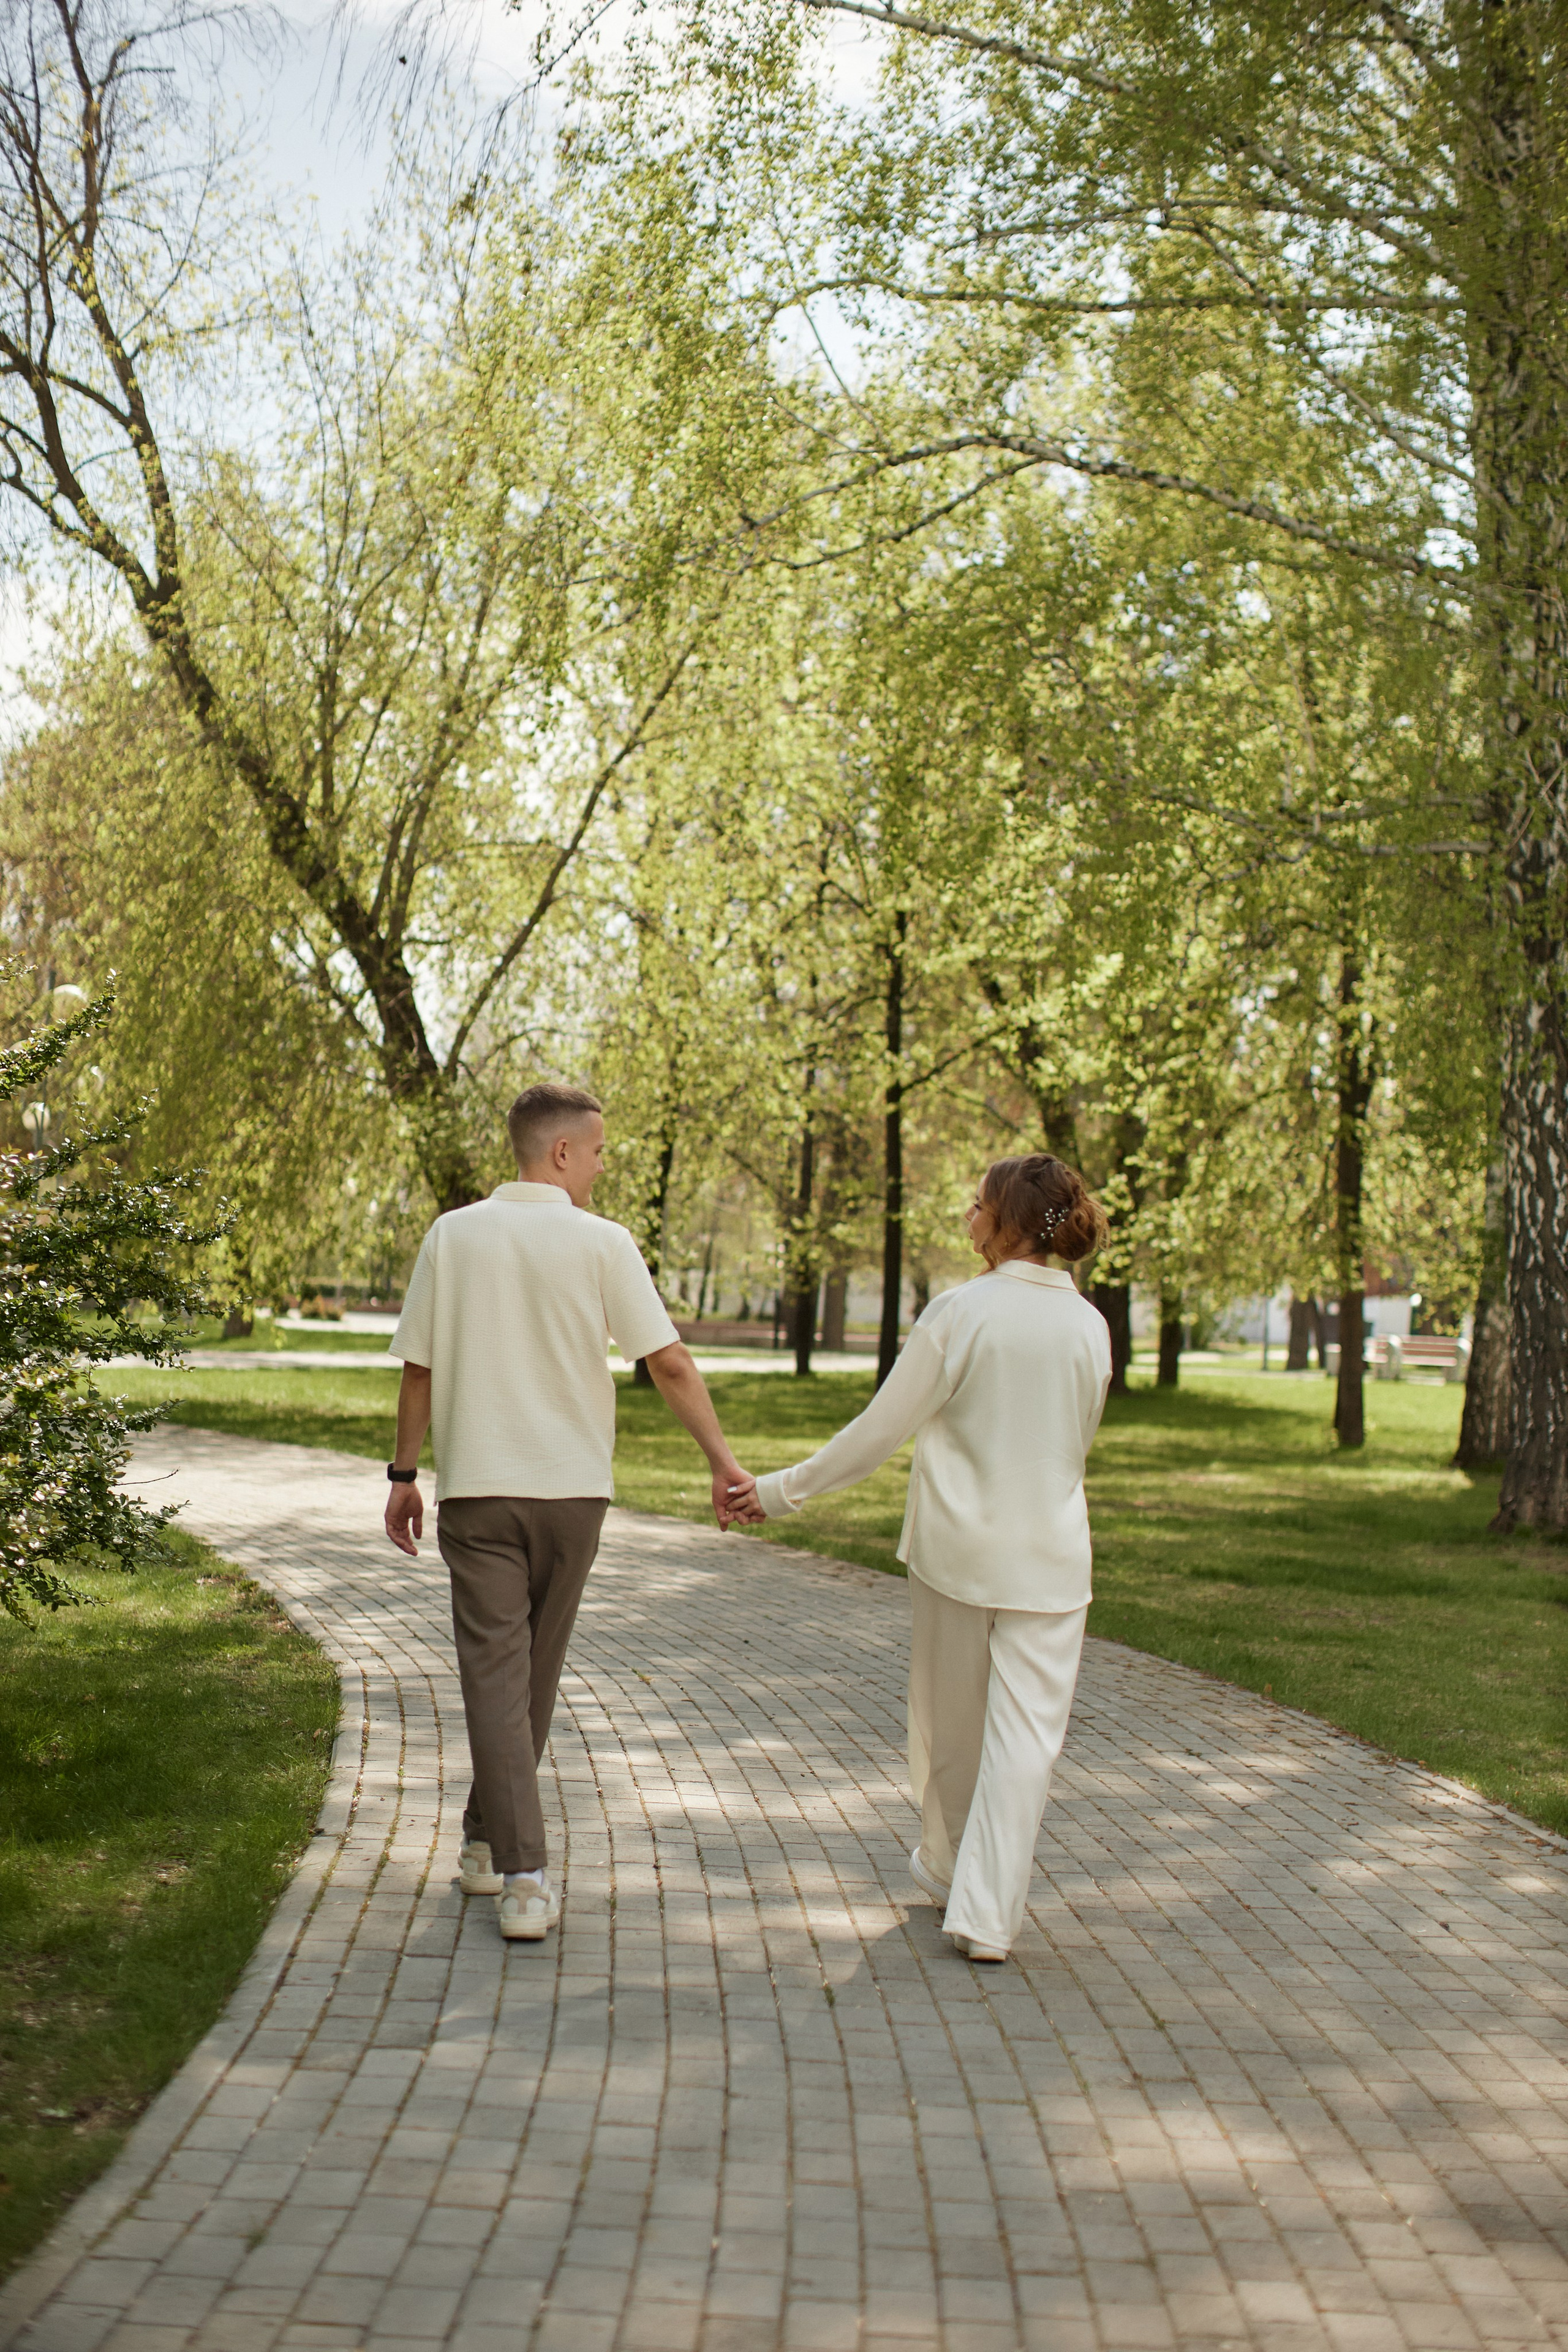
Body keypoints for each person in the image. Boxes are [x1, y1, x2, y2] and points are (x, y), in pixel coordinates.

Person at [385, 1082, 752, 1943]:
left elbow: (419, 1371)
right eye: (596, 1152)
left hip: (479, 1492)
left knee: (504, 1681)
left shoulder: (453, 1235)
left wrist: (403, 1474)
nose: (599, 1167)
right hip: (573, 1497)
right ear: (560, 1152)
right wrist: (723, 1462)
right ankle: (523, 1873)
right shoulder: (604, 1243)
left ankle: (491, 1845)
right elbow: (669, 1364)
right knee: (526, 1680)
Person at [733, 1153, 1111, 1965]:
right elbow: (1076, 1442)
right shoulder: (1090, 1325)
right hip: (1053, 1558)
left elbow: (877, 1433)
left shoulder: (960, 1312)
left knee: (950, 1733)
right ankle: (968, 1894)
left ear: (1010, 1222)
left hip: (959, 1553)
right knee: (1025, 1747)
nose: (968, 1216)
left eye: (978, 1205)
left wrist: (776, 1493)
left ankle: (961, 1884)